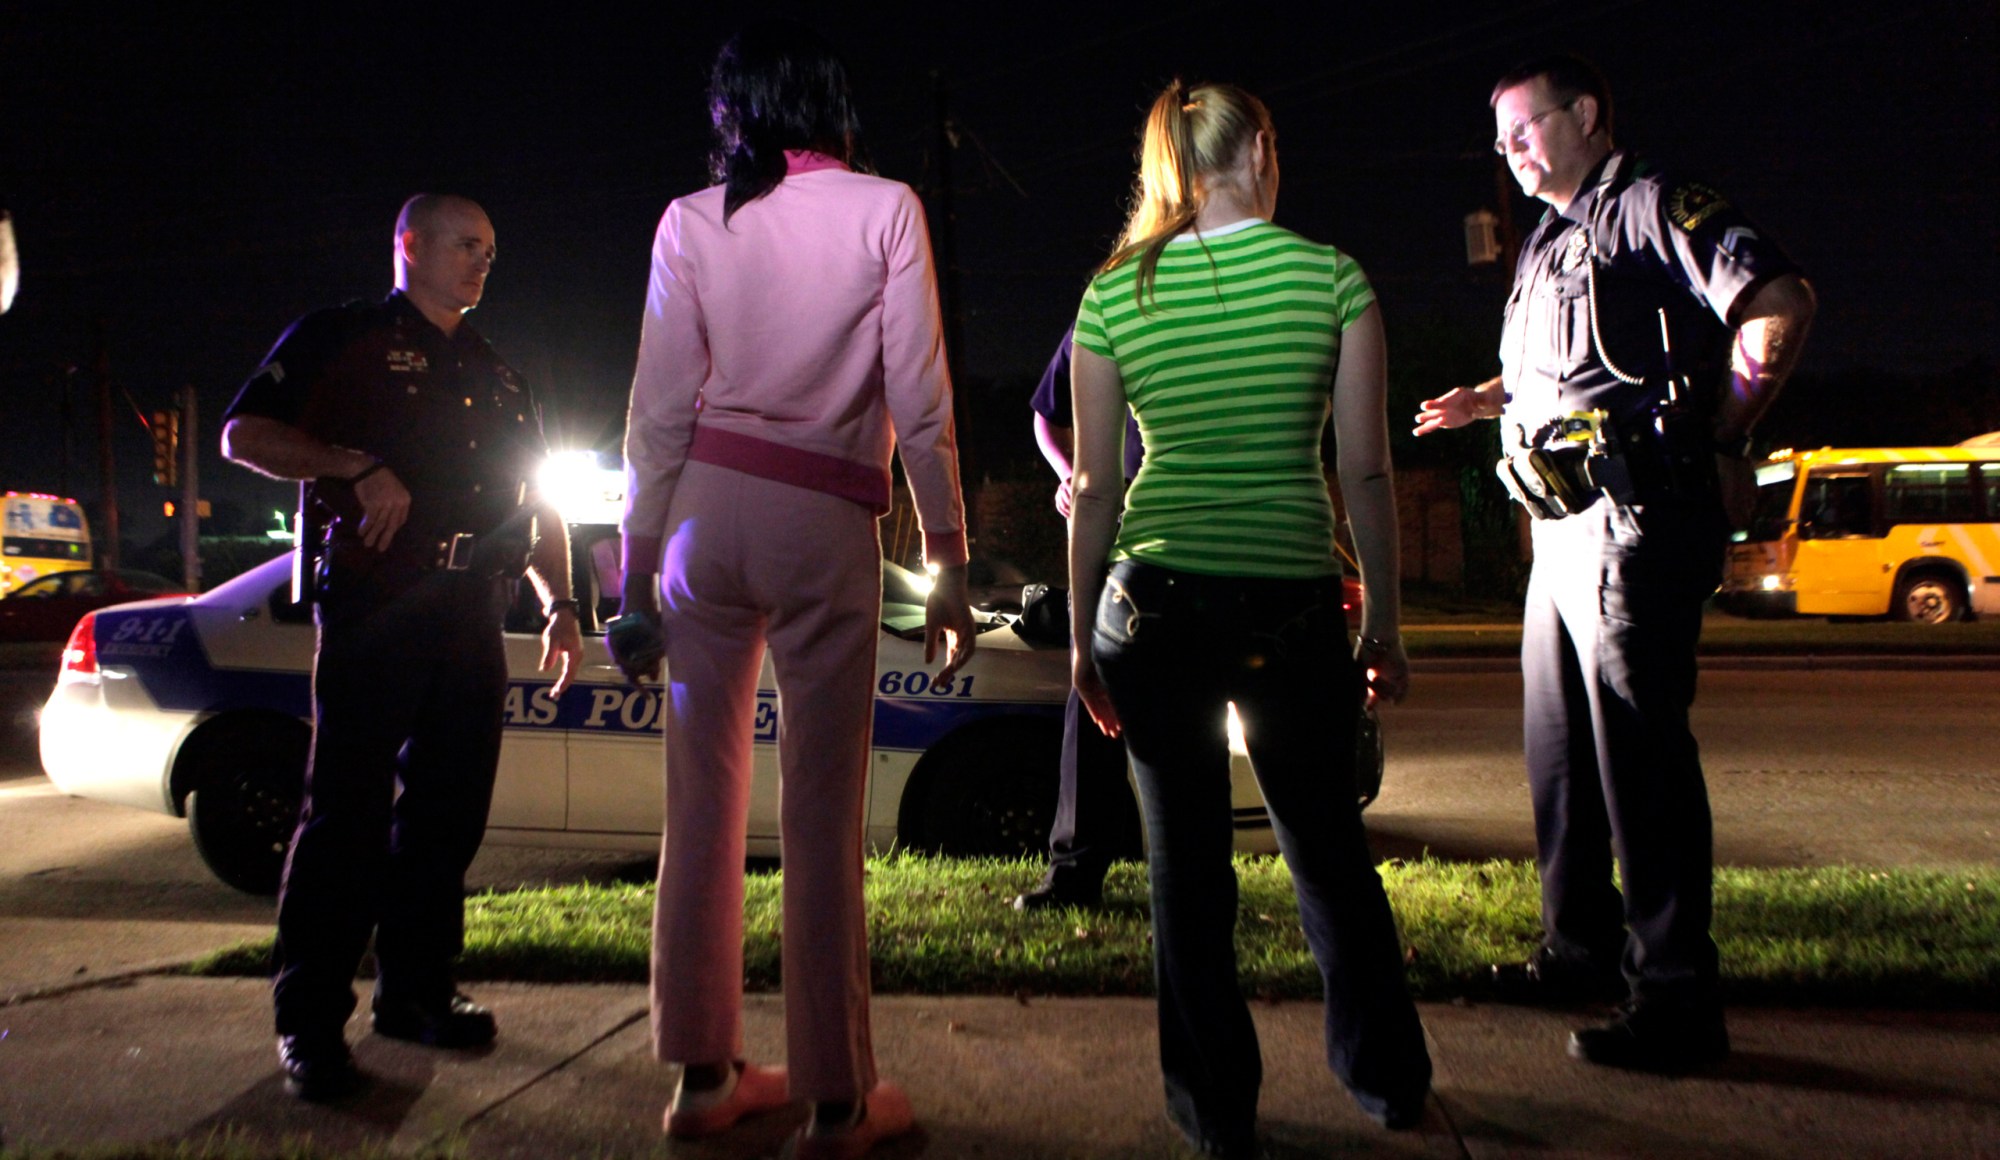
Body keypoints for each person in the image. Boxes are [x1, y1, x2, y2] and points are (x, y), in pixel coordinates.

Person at [1414, 54, 1815, 1071]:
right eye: (1496, 136)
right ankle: (1577, 949)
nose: (1506, 150)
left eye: (1522, 126)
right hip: (1556, 532)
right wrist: (1482, 401)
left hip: (1630, 524)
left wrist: (1716, 433)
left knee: (1638, 756)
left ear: (1584, 114)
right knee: (1558, 757)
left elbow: (1776, 301)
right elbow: (1571, 366)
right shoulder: (1549, 236)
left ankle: (1675, 995)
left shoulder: (1646, 203)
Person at [616, 23, 975, 1160]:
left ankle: (701, 1075)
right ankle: (833, 1097)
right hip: (823, 519)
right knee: (820, 816)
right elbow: (918, 396)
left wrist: (632, 566)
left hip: (699, 521)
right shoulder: (885, 208)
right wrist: (950, 555)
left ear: (735, 114)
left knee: (699, 807)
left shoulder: (691, 219)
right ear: (830, 102)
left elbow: (657, 407)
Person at [1068, 80, 1432, 1157]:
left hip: (1150, 601)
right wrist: (1386, 626)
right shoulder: (1331, 278)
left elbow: (1092, 484)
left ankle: (1215, 1108)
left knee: (1184, 867)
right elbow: (1363, 467)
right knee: (1325, 847)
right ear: (1260, 148)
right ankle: (1387, 1078)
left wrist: (1088, 635)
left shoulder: (1112, 292)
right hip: (1291, 600)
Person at [221, 193, 583, 1101]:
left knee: (447, 816)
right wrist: (354, 464)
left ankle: (415, 994)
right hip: (377, 605)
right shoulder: (341, 336)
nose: (481, 263)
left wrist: (563, 602)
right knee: (344, 815)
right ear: (409, 244)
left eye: (492, 252)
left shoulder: (501, 374)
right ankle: (309, 1022)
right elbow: (243, 434)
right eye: (466, 245)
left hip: (471, 611)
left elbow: (538, 502)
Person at [1014, 324, 1143, 911]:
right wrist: (1068, 473)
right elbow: (1045, 414)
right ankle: (1074, 875)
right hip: (1112, 536)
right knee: (1091, 707)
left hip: (1190, 536)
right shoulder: (1110, 304)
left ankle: (1192, 881)